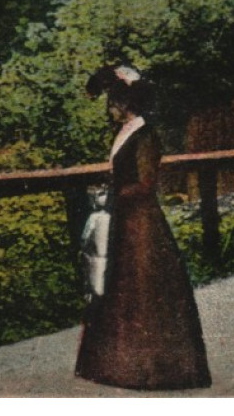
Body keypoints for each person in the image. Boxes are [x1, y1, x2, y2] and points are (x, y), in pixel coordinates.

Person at [75, 65, 212, 390]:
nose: (109, 108)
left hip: (141, 224)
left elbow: (146, 184)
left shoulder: (145, 134)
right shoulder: (123, 133)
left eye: (113, 101)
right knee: (116, 286)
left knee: (144, 289)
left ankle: (155, 368)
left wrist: (113, 193)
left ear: (126, 102)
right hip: (122, 219)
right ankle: (119, 365)